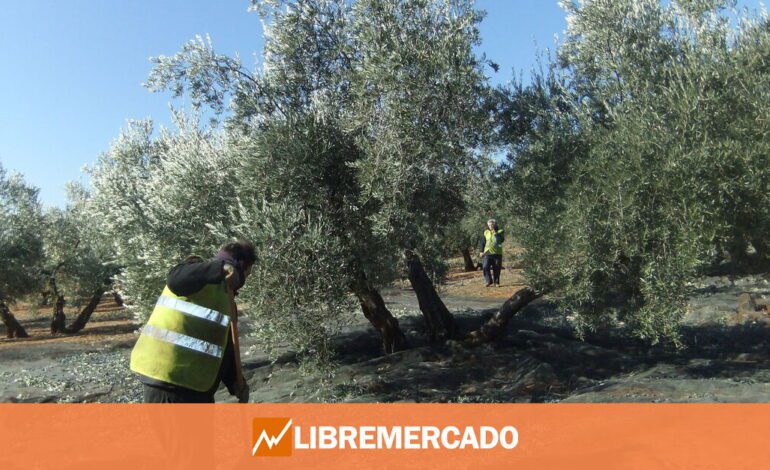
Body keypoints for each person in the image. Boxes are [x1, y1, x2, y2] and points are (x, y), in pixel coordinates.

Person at [130, 240, 256, 403]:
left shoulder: (226, 300)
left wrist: (236, 384)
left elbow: (225, 349)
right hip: (167, 380)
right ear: (242, 266)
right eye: (247, 274)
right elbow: (175, 279)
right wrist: (221, 268)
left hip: (194, 387)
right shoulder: (198, 273)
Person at [478, 219, 504, 287]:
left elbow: (501, 240)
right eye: (489, 225)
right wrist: (481, 251)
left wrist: (496, 233)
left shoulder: (500, 231)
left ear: (495, 225)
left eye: (492, 224)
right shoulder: (486, 232)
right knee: (485, 267)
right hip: (487, 253)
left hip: (497, 253)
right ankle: (489, 281)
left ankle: (497, 282)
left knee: (497, 268)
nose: (490, 226)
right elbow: (482, 242)